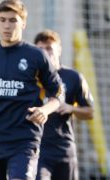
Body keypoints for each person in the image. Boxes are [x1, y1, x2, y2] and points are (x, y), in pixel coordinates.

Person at [0, 0, 64, 179]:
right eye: (2, 20)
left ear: (23, 23)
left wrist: (45, 110)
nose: (7, 25)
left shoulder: (36, 56)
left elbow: (58, 92)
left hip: (24, 140)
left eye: (13, 20)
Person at [34, 30, 94, 180]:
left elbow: (90, 112)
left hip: (64, 149)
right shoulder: (30, 78)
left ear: (59, 49)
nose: (45, 53)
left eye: (49, 48)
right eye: (40, 49)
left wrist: (71, 108)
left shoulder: (73, 77)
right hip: (38, 148)